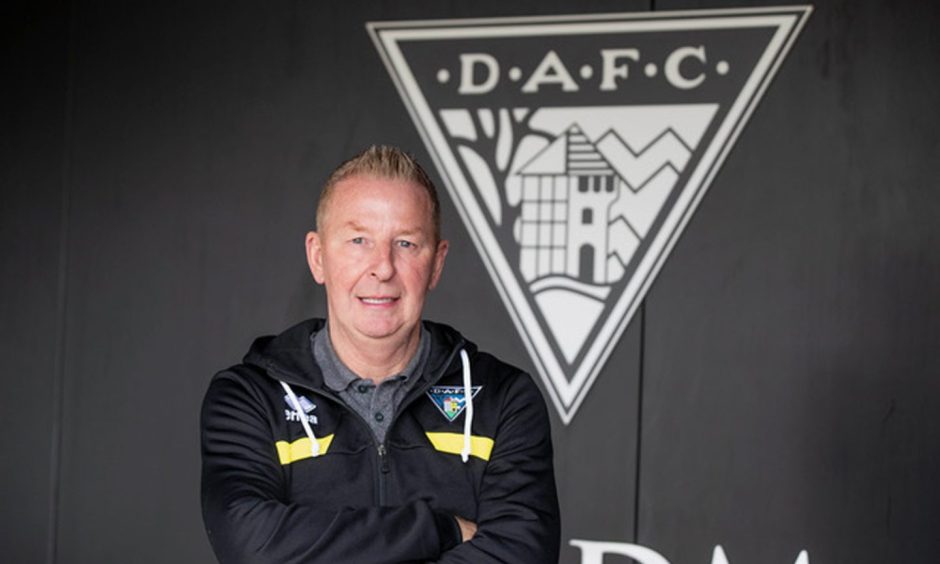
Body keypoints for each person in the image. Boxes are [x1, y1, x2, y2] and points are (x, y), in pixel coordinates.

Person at [200, 145, 560, 563]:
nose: (383, 267)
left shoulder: (505, 399)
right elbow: (254, 547)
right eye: (358, 240)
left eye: (406, 243)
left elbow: (520, 556)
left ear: (437, 264)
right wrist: (439, 528)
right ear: (318, 257)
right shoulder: (249, 397)